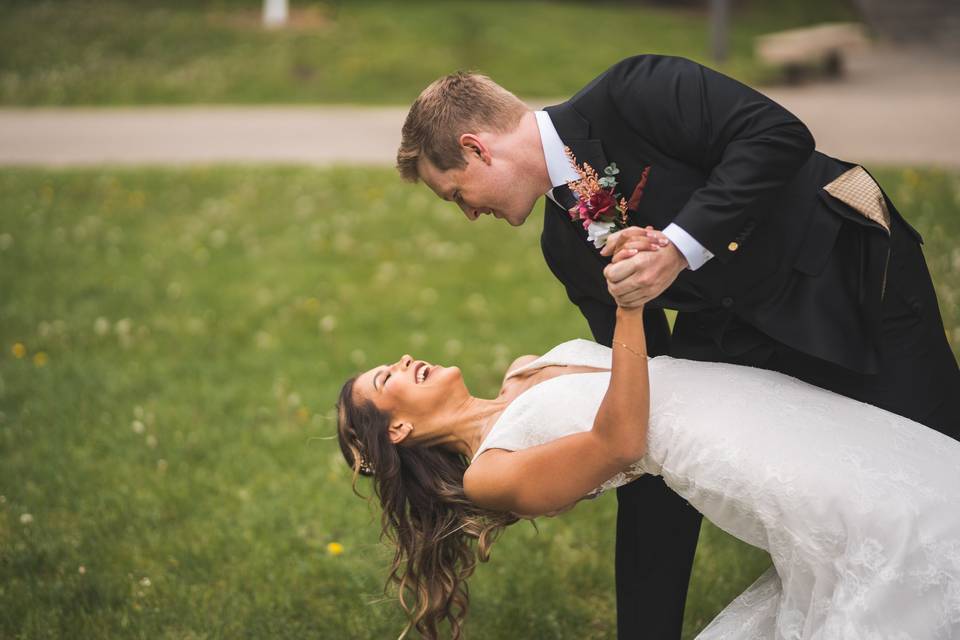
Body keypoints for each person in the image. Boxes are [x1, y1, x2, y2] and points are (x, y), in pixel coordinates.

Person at [395, 55, 960, 638]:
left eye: (455, 193)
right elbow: (643, 395)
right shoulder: (565, 249)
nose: (467, 214)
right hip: (732, 328)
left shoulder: (635, 91)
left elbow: (778, 136)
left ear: (477, 148)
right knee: (666, 447)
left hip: (845, 274)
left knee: (937, 458)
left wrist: (678, 248)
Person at [336, 288, 960, 639]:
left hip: (765, 404)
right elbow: (619, 442)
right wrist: (629, 308)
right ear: (397, 428)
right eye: (387, 376)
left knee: (912, 484)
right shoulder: (491, 473)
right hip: (739, 455)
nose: (406, 358)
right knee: (900, 536)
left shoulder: (522, 370)